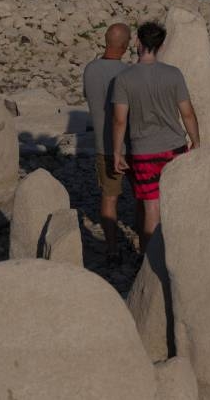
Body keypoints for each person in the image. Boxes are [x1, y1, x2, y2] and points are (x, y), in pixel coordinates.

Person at [111, 21, 200, 253]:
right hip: (174, 146)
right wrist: (196, 141)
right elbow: (187, 113)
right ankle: (178, 253)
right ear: (161, 46)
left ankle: (149, 261)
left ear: (137, 42)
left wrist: (117, 152)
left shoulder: (124, 78)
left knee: (151, 206)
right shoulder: (173, 74)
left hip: (143, 151)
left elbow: (119, 120)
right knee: (174, 201)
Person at [82, 23, 131, 265]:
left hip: (104, 144)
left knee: (109, 197)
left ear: (105, 40)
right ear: (126, 45)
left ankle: (112, 249)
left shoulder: (90, 69)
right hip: (130, 145)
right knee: (143, 198)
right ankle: (145, 246)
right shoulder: (128, 72)